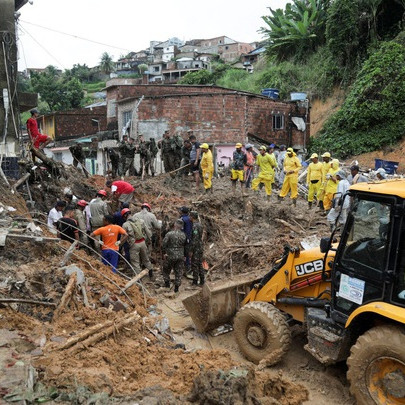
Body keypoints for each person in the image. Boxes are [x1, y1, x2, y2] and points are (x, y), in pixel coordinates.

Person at [121, 208, 154, 278]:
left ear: (124, 216)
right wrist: (149, 241)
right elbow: (148, 233)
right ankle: (151, 273)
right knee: (146, 259)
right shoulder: (140, 221)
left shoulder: (125, 224)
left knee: (135, 262)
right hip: (142, 242)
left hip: (134, 245)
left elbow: (124, 237)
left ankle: (139, 279)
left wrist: (119, 245)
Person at [162, 219, 187, 293]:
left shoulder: (169, 234)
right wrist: (184, 255)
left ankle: (167, 285)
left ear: (175, 225)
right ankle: (176, 288)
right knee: (178, 272)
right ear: (181, 226)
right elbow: (185, 246)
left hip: (170, 255)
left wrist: (164, 252)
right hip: (180, 255)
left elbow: (164, 244)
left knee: (166, 270)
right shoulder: (184, 235)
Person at [189, 211, 204, 286]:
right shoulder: (200, 225)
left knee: (194, 264)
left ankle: (195, 281)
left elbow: (194, 239)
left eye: (190, 216)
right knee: (200, 264)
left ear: (192, 217)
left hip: (196, 248)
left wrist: (191, 250)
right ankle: (202, 280)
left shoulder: (194, 226)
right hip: (200, 246)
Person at [179, 206, 192, 274]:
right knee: (187, 253)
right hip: (189, 237)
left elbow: (181, 229)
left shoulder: (182, 219)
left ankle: (185, 266)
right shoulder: (189, 218)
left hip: (184, 237)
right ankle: (187, 266)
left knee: (183, 252)